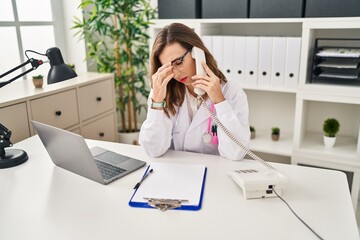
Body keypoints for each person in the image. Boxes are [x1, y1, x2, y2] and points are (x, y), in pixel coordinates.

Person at [139, 23, 250, 160]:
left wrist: (220, 102)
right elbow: (153, 150)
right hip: (176, 172)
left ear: (197, 53)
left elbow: (235, 154)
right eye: (168, 67)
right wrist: (156, 103)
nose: (176, 73)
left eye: (178, 62)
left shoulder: (231, 92)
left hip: (214, 174)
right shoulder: (162, 90)